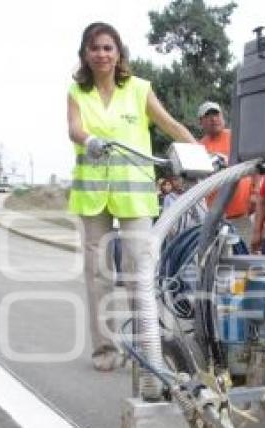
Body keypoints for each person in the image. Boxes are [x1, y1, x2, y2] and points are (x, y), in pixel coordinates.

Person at [67, 22, 197, 371]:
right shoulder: (77, 92)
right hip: (93, 195)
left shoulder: (139, 89)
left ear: (119, 53)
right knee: (98, 274)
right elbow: (75, 128)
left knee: (138, 269)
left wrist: (199, 153)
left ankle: (149, 350)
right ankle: (105, 352)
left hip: (134, 196)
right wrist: (88, 140)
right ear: (85, 54)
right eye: (94, 48)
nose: (102, 54)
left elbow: (170, 125)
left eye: (108, 48)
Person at [197, 101, 255, 247]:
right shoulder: (198, 147)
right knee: (220, 260)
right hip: (216, 218)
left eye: (216, 114)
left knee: (246, 257)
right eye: (208, 116)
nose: (213, 119)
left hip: (244, 216)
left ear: (222, 117)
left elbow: (256, 164)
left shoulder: (237, 138)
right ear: (201, 122)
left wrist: (256, 191)